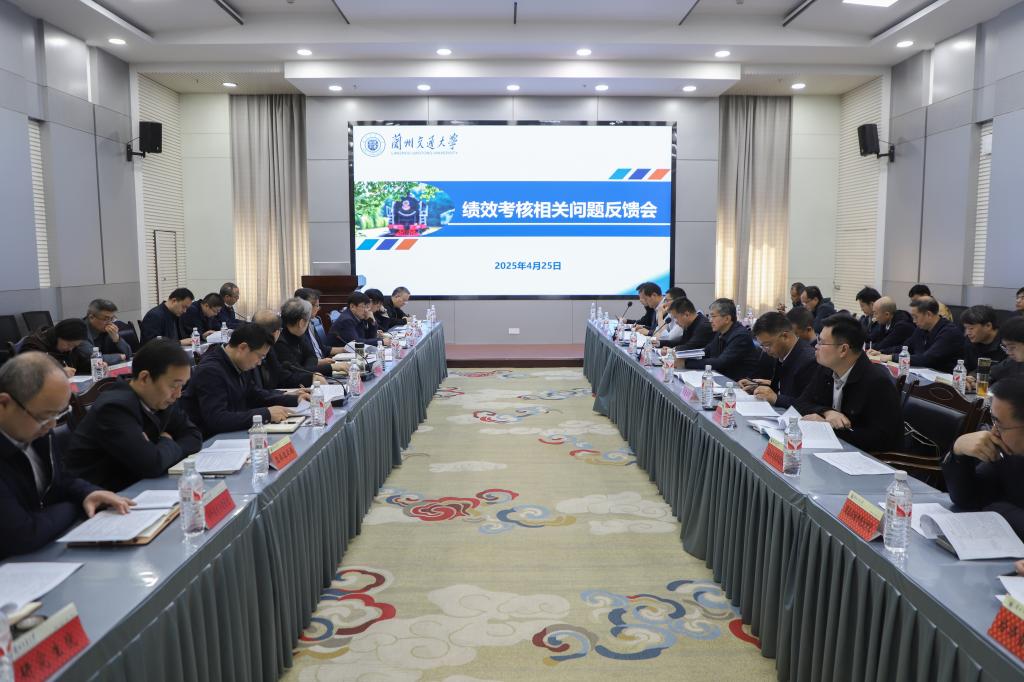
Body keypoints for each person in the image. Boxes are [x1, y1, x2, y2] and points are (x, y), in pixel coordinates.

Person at [0, 353, 133, 559]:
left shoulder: (37, 431)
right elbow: (22, 534)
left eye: (59, 414)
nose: (52, 425)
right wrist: (76, 506)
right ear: (4, 404)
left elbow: (61, 479)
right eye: (45, 416)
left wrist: (88, 493)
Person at [64, 339, 202, 492]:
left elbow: (194, 436)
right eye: (174, 385)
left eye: (182, 386)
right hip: (103, 495)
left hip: (139, 487)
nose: (178, 394)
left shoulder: (161, 399)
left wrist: (157, 449)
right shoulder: (114, 408)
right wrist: (166, 440)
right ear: (145, 378)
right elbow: (151, 464)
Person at [794, 315, 903, 452]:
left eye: (821, 343)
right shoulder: (826, 369)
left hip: (867, 457)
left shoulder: (877, 382)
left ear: (843, 350)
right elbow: (801, 403)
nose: (816, 346)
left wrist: (828, 428)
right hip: (832, 448)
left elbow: (880, 440)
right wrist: (826, 412)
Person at [180, 323, 305, 438]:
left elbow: (255, 395)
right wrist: (266, 414)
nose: (259, 363)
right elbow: (217, 419)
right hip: (210, 441)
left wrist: (295, 399)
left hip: (232, 435)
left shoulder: (237, 363)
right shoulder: (210, 371)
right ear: (243, 347)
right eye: (260, 356)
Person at [942, 378, 1024, 539]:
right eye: (993, 421)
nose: (993, 432)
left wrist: (997, 510)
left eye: (999, 425)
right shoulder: (1008, 453)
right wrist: (959, 451)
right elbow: (969, 498)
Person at [741, 312, 817, 408]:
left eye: (768, 345)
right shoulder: (781, 353)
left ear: (785, 336)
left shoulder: (809, 361)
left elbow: (810, 405)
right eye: (762, 346)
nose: (765, 350)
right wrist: (758, 388)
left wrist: (776, 398)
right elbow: (780, 389)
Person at [870, 297, 962, 372]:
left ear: (929, 315)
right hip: (923, 375)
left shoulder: (949, 332)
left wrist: (892, 357)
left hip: (945, 381)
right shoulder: (921, 329)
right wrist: (882, 352)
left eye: (916, 317)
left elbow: (927, 359)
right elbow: (906, 347)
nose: (913, 321)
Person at [683, 298, 760, 380]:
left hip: (740, 383)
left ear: (727, 319)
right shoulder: (721, 332)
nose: (710, 320)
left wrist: (686, 363)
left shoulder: (740, 336)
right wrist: (683, 356)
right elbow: (706, 351)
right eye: (710, 316)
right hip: (724, 378)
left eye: (713, 316)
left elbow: (720, 362)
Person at [274, 298, 323, 388]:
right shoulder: (279, 342)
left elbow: (312, 356)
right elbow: (294, 373)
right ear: (301, 323)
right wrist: (311, 373)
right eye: (308, 321)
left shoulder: (298, 333)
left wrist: (307, 370)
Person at [17, 319, 91, 377]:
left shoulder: (69, 348)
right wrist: (59, 372)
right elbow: (28, 372)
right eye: (68, 344)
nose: (70, 349)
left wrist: (94, 365)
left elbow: (81, 364)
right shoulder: (33, 346)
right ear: (58, 336)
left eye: (74, 346)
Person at [327, 292, 392, 348]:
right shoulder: (347, 320)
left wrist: (372, 322)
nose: (366, 310)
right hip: (336, 356)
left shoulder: (358, 317)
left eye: (367, 307)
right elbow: (356, 343)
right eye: (364, 307)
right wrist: (381, 342)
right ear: (352, 306)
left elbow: (369, 338)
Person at [974, 316, 1024, 389]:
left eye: (1012, 347)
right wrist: (973, 380)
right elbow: (992, 373)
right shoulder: (1013, 361)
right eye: (1005, 347)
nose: (1008, 352)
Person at [82, 299, 131, 364]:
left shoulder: (108, 329)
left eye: (112, 318)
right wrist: (119, 357)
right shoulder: (80, 330)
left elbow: (128, 354)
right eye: (106, 319)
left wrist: (116, 339)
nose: (110, 323)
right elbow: (92, 358)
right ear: (91, 317)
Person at [961, 305, 1007, 372]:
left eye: (971, 328)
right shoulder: (969, 341)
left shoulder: (1007, 344)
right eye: (966, 328)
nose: (968, 333)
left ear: (988, 326)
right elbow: (966, 369)